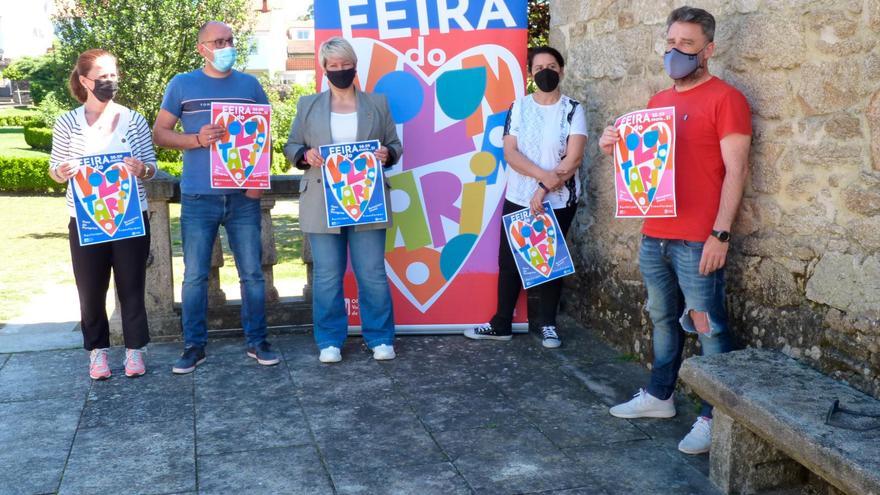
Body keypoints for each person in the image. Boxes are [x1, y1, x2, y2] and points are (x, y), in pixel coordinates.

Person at [600, 6, 752, 455]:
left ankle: (714, 416)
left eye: (686, 44)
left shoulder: (727, 99)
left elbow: (737, 171)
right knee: (663, 319)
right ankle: (660, 396)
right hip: (655, 234)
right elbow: (642, 173)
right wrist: (616, 147)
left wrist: (720, 234)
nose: (675, 51)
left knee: (709, 328)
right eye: (671, 42)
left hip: (698, 238)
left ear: (709, 49)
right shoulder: (656, 104)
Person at [153, 21, 279, 373]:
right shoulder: (182, 84)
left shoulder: (250, 84)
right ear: (202, 48)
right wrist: (195, 139)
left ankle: (257, 341)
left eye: (229, 40)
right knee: (194, 276)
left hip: (243, 198)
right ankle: (194, 346)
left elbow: (264, 136)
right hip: (198, 197)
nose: (225, 46)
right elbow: (160, 133)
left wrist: (259, 180)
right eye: (218, 41)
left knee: (252, 274)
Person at [284, 37, 401, 363]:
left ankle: (380, 338)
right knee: (327, 275)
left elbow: (395, 145)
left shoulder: (377, 104)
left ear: (354, 66)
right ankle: (330, 341)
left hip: (368, 199)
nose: (339, 70)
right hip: (322, 201)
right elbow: (291, 146)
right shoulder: (307, 105)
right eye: (332, 66)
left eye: (344, 64)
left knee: (372, 272)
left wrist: (387, 153)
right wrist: (305, 155)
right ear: (324, 69)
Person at [464, 46, 587, 349]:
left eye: (552, 66)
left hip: (559, 200)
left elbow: (573, 158)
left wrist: (545, 189)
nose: (546, 71)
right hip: (519, 195)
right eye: (539, 66)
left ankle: (547, 325)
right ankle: (501, 323)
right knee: (509, 261)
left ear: (562, 70)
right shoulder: (518, 107)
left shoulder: (573, 109)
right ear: (530, 73)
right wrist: (541, 177)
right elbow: (510, 152)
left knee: (550, 261)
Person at [50, 49, 158, 379]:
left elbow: (152, 168)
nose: (110, 82)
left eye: (114, 75)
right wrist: (63, 171)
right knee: (90, 288)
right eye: (102, 77)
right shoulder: (67, 122)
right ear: (85, 81)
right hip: (85, 221)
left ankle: (135, 351)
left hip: (130, 218)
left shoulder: (134, 119)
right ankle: (97, 352)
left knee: (131, 287)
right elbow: (55, 170)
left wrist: (142, 169)